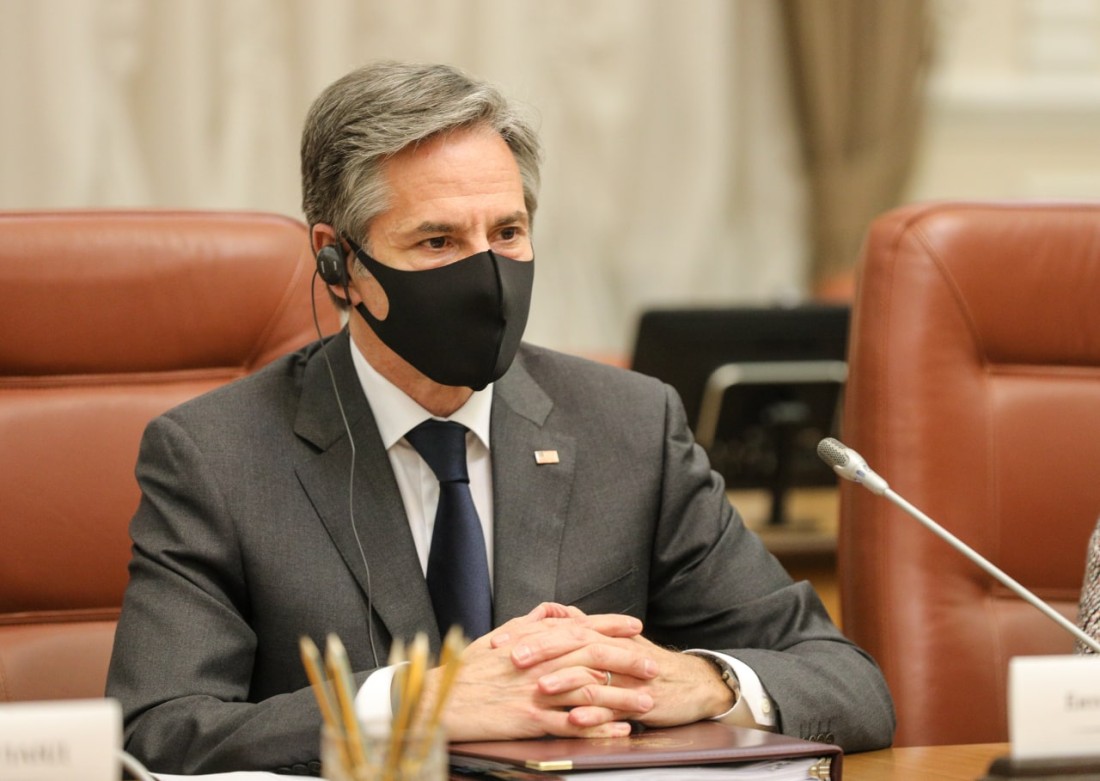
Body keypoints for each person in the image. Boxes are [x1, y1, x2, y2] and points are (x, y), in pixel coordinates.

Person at [106, 61, 895, 774]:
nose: (486, 275)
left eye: (508, 233)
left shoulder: (630, 426)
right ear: (339, 265)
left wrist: (700, 680)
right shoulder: (216, 455)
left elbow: (847, 682)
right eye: (438, 241)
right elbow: (157, 730)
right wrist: (414, 704)